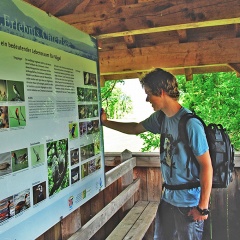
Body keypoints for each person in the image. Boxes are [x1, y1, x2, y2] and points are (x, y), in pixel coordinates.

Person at [101, 68, 213, 240]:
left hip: (189, 203)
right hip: (168, 199)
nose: (147, 100)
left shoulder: (190, 124)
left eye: (148, 94)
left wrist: (202, 208)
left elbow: (206, 166)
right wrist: (105, 123)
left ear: (160, 92)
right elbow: (135, 128)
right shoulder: (161, 118)